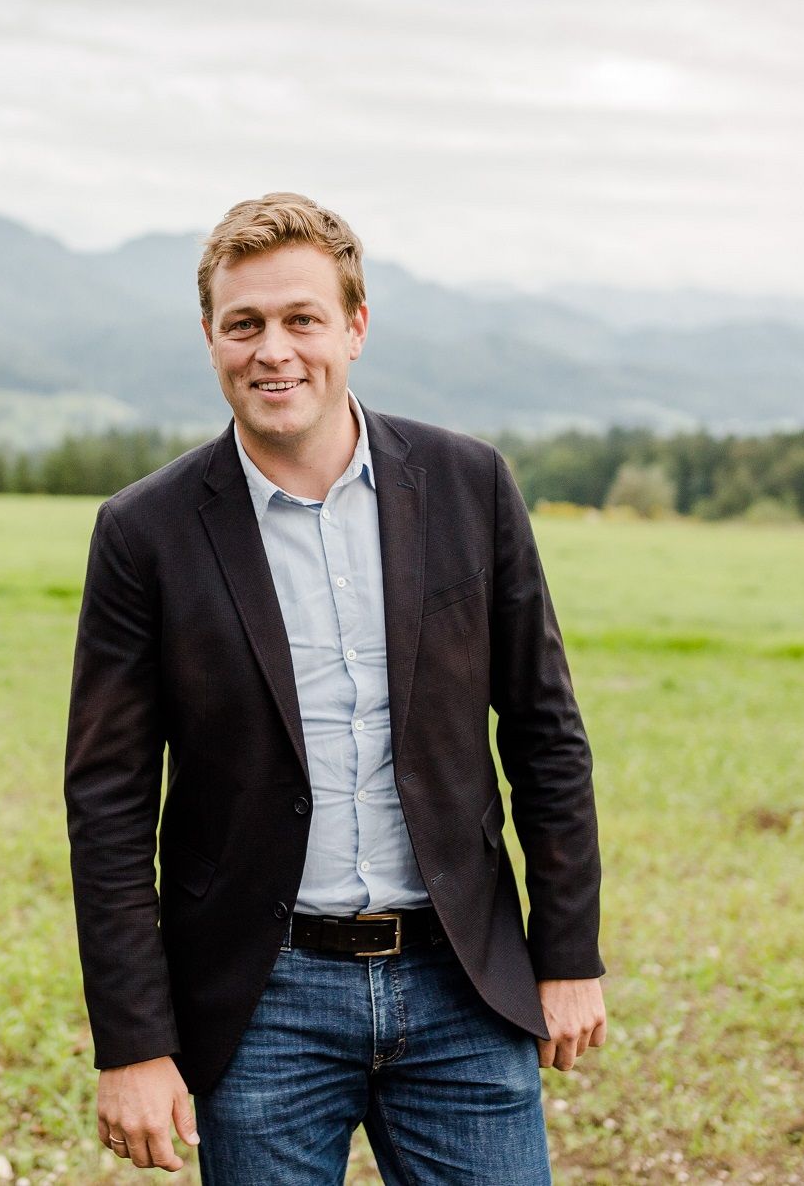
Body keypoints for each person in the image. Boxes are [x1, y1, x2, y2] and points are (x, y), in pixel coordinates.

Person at [64, 193, 604, 1183]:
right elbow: (107, 804)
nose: (273, 350)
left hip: (462, 983)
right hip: (260, 999)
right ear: (210, 338)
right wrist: (134, 1043)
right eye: (245, 324)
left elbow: (544, 732)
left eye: (301, 318)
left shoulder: (468, 484)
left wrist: (567, 954)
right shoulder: (144, 533)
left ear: (354, 326)